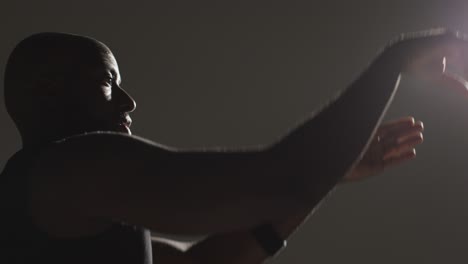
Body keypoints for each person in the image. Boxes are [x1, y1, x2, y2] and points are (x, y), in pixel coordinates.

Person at [0, 29, 463, 264]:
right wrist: (394, 62)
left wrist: (330, 171)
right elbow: (278, 181)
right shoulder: (71, 166)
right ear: (47, 91)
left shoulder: (45, 198)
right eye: (106, 82)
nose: (128, 100)